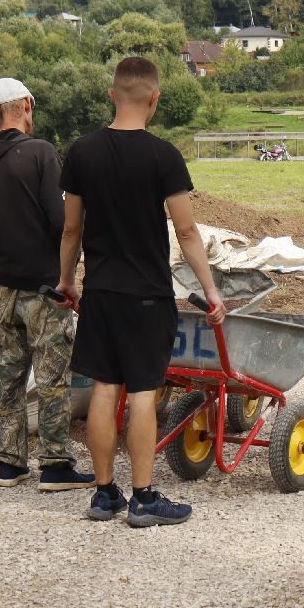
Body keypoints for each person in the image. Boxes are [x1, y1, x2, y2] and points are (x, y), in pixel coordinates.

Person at [57, 56, 226, 528]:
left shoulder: (81, 152)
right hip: (147, 296)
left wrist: (67, 280)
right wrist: (211, 291)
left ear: (112, 94)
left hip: (102, 293)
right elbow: (188, 232)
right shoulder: (162, 156)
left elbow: (71, 230)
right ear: (154, 98)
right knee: (143, 395)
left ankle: (105, 494)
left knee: (105, 391)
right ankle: (144, 498)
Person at [0, 77, 94, 492]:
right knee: (53, 376)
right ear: (24, 105)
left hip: (2, 288)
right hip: (43, 286)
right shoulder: (39, 152)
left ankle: (9, 464)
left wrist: (5, 257)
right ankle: (55, 466)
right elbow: (61, 222)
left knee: (6, 376)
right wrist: (66, 272)